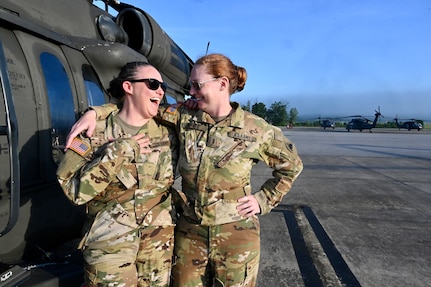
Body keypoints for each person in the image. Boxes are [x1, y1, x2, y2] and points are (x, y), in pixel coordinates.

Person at [66, 53, 303, 287]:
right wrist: (97, 112)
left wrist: (263, 200)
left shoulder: (257, 129)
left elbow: (291, 166)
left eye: (197, 85)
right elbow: (137, 106)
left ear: (222, 84)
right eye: (190, 86)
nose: (191, 91)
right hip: (190, 232)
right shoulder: (184, 117)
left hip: (236, 232)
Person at [57, 62, 179, 287]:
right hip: (109, 242)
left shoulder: (170, 132)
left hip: (157, 246)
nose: (160, 91)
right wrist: (119, 150)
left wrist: (99, 108)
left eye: (162, 86)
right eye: (153, 84)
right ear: (128, 87)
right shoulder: (94, 131)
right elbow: (75, 192)